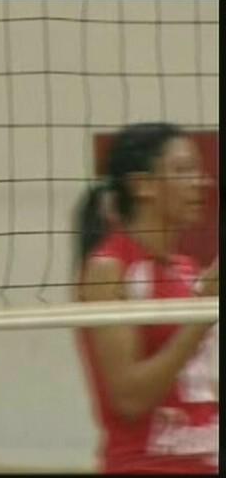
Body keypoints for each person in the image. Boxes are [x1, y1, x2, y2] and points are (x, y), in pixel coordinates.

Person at [74, 122, 218, 474]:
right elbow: (129, 398)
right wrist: (204, 311)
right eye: (183, 170)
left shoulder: (188, 269)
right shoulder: (109, 268)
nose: (201, 182)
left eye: (199, 170)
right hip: (146, 465)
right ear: (143, 185)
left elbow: (199, 385)